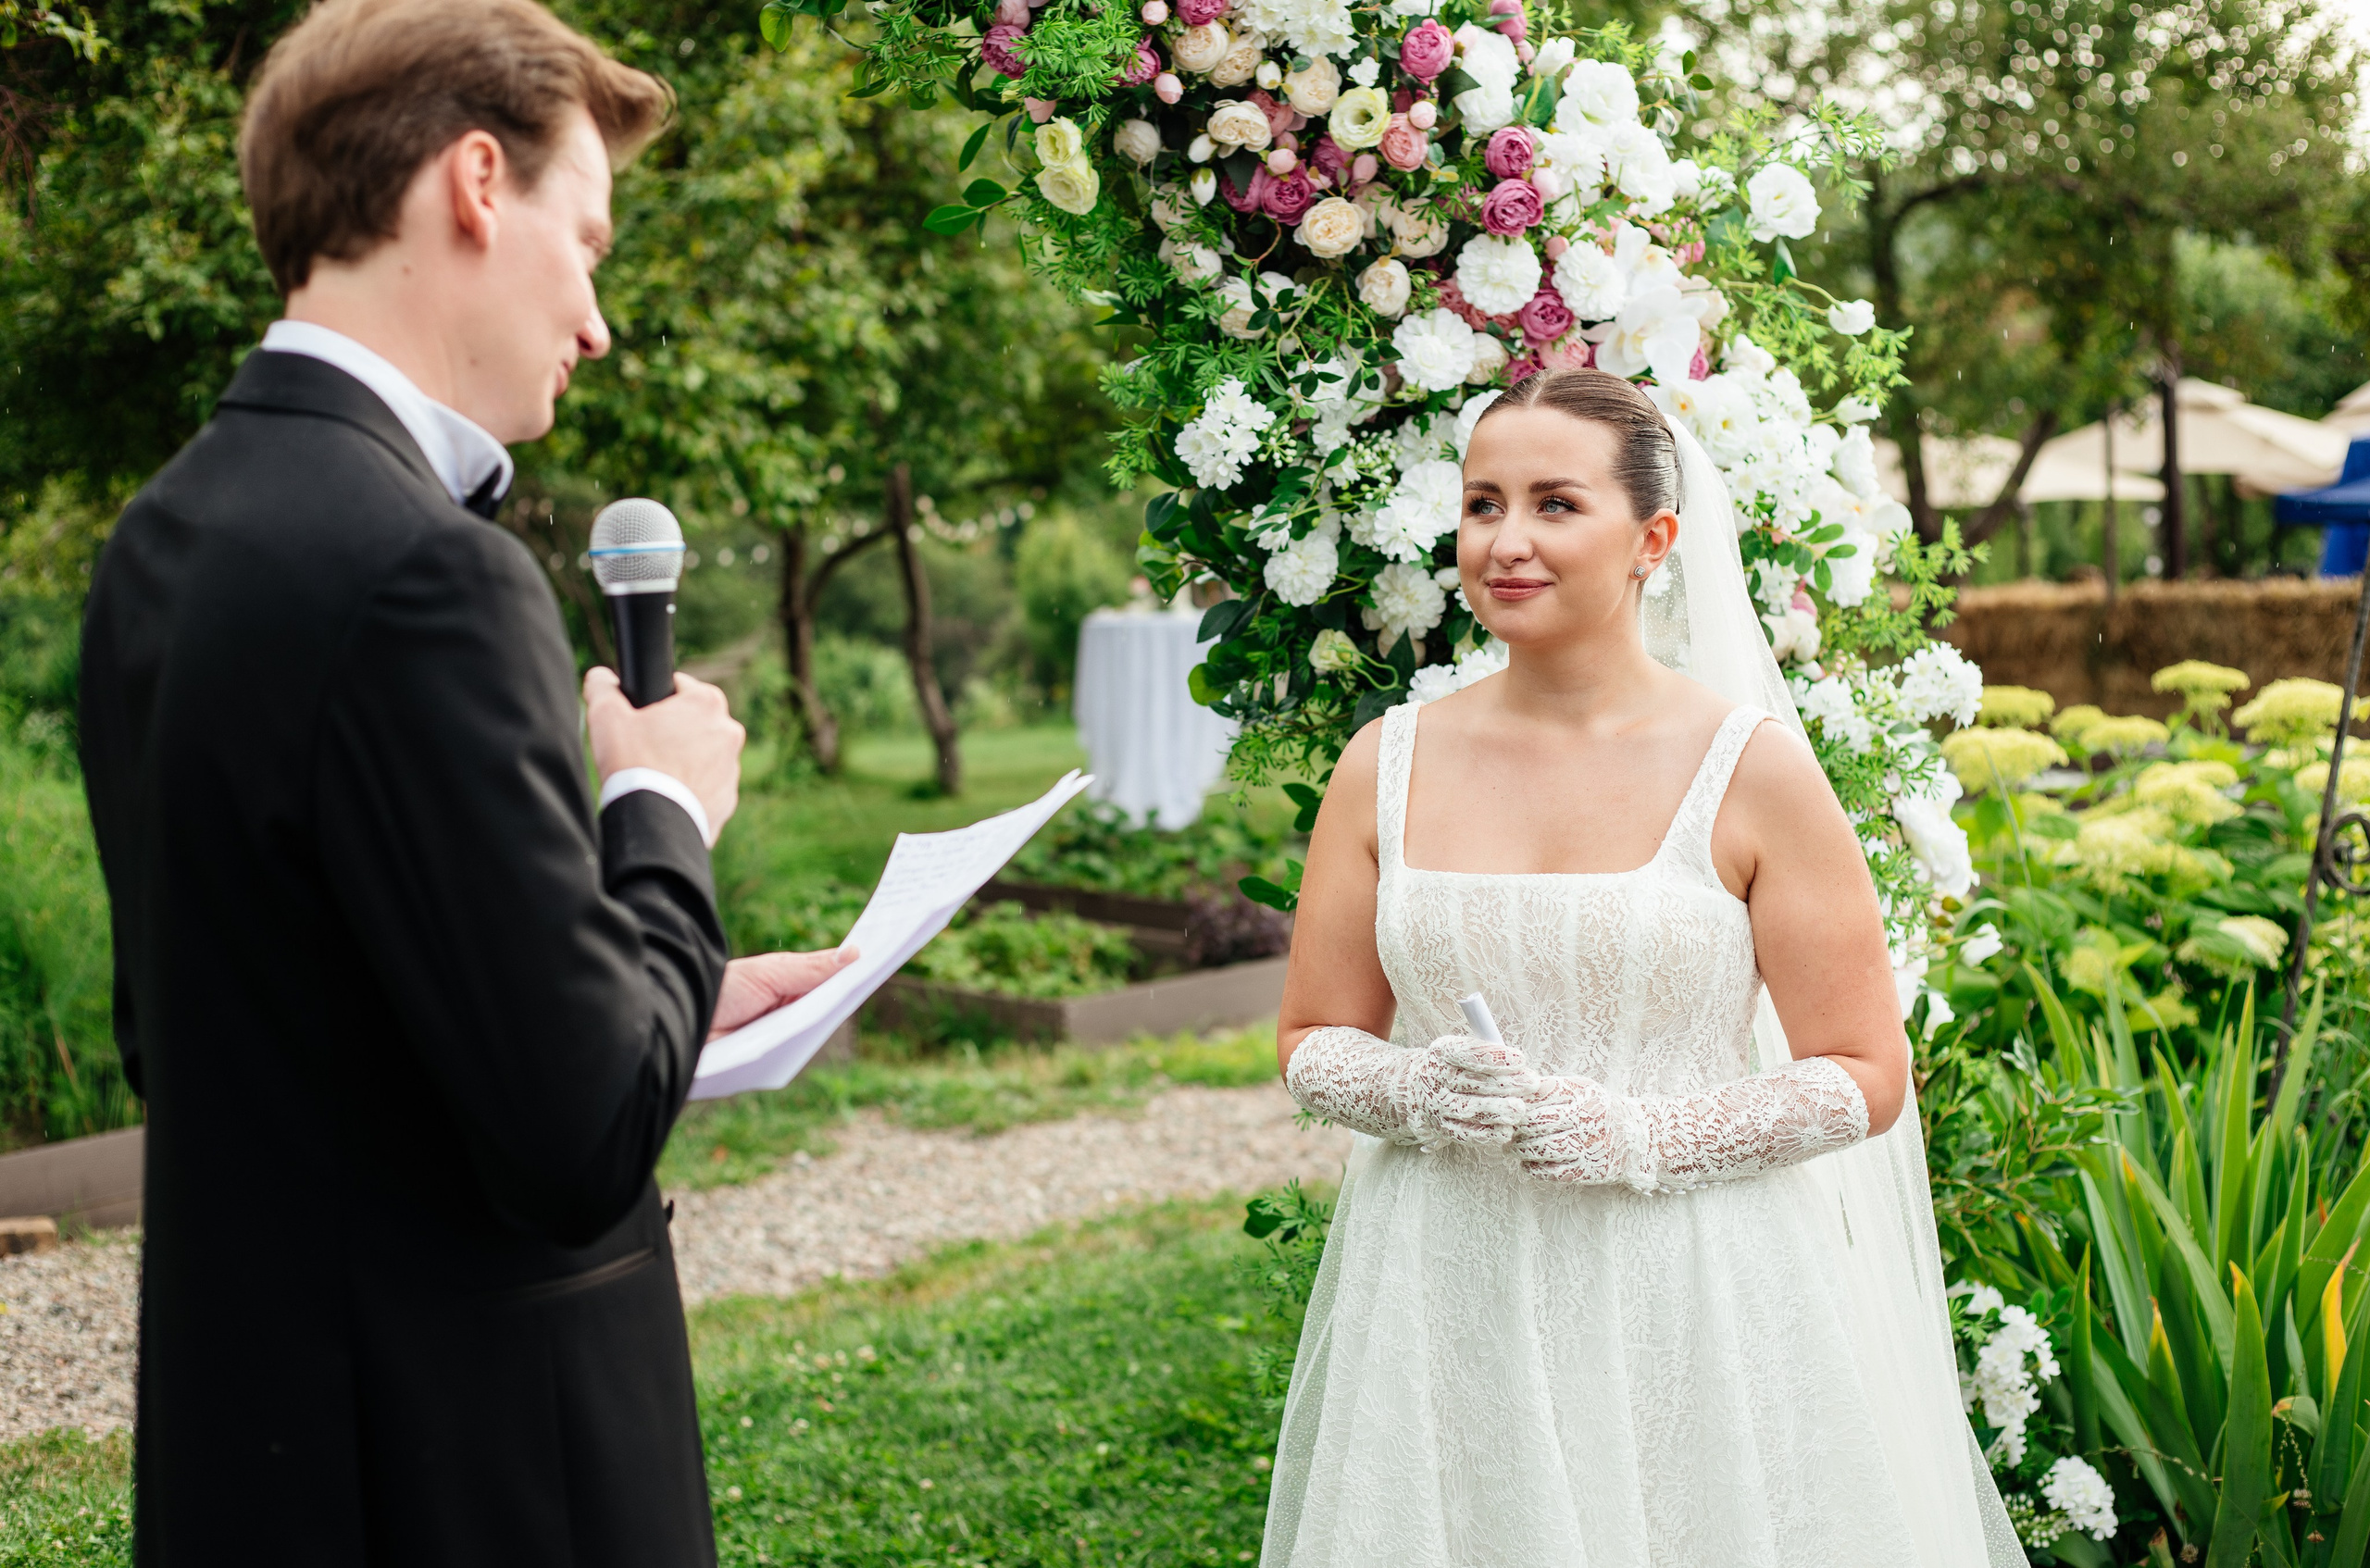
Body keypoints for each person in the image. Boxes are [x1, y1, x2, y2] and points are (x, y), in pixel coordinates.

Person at [75, 1, 850, 1562]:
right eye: (592, 243)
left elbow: (239, 1036)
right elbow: (574, 1146)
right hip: (468, 1469)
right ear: (477, 186)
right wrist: (662, 806)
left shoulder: (162, 540)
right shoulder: (433, 571)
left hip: (261, 1450)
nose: (595, 321)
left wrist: (652, 985)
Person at [1261, 368, 2024, 1566]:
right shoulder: (1384, 763)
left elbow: (1866, 1070)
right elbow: (1313, 1039)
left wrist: (1650, 1138)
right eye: (1481, 504)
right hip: (1446, 1284)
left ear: (1652, 539)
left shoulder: (1752, 767)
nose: (1505, 541)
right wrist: (1415, 1090)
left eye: (1555, 504)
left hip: (1690, 1288)